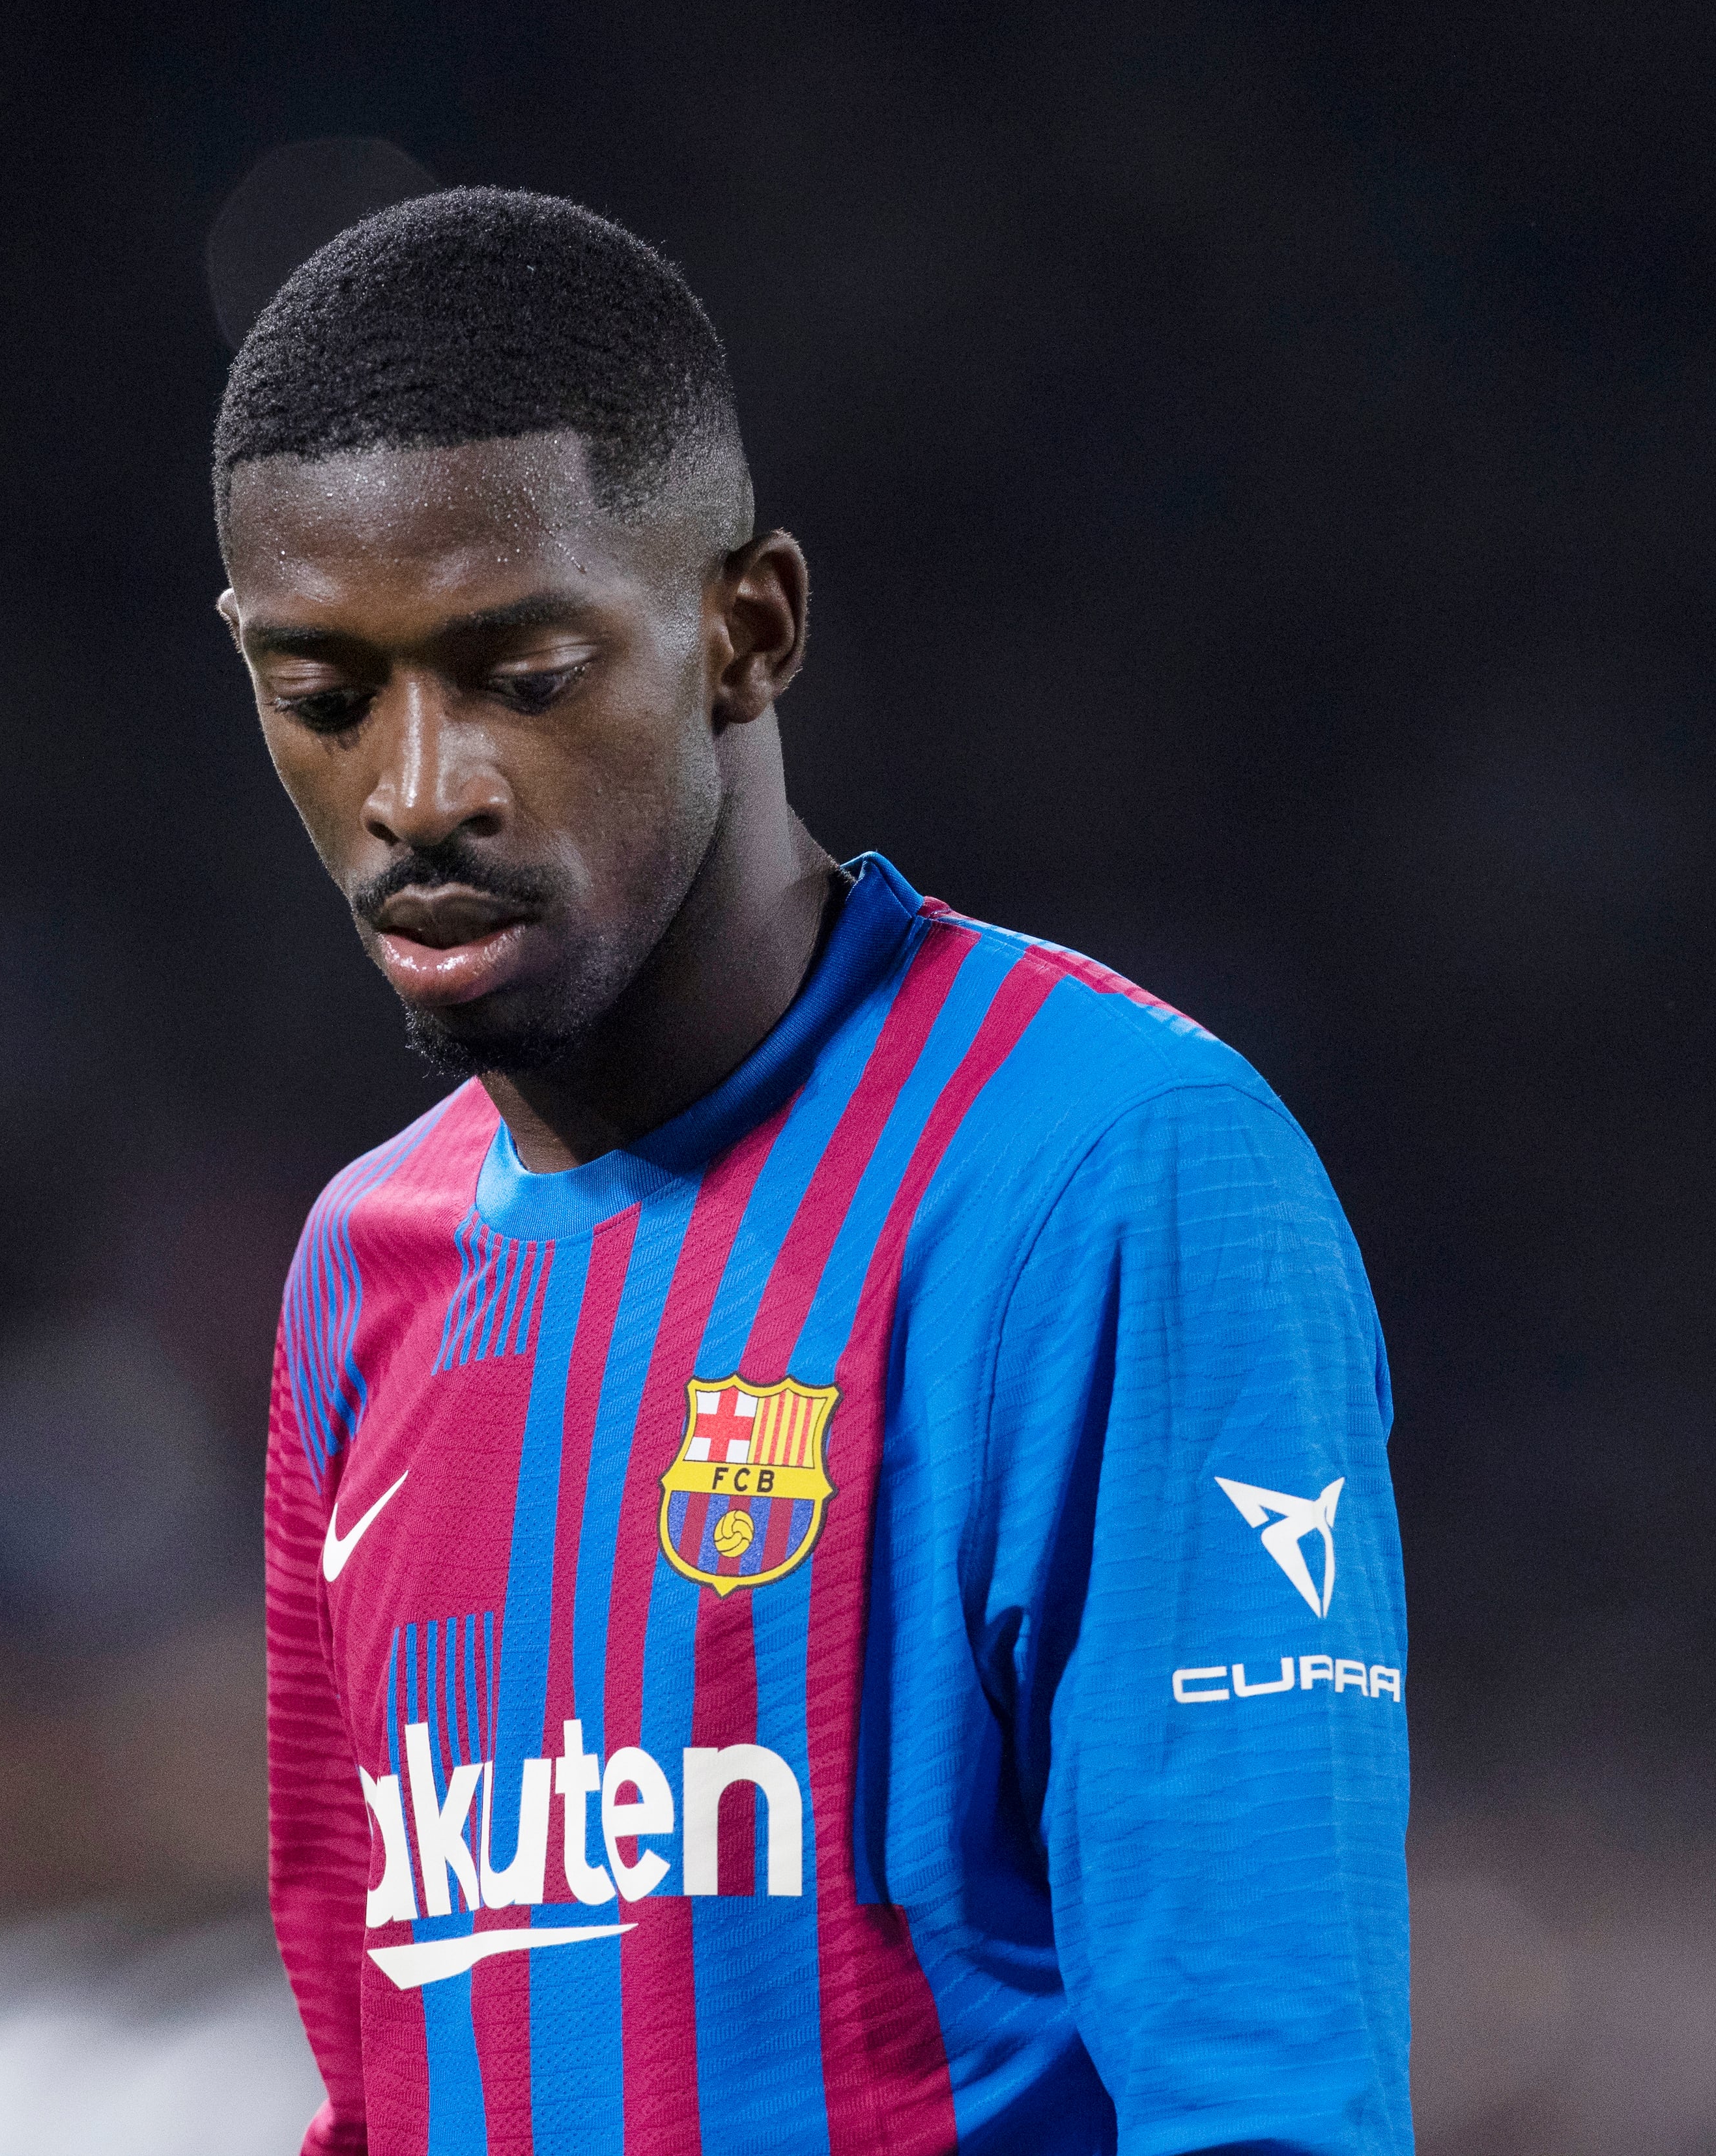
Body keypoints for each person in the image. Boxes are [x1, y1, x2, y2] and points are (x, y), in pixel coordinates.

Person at [216, 186, 1408, 2155]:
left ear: (744, 630)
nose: (420, 791)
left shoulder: (1107, 1179)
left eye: (521, 673)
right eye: (326, 697)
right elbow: (376, 2100)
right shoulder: (364, 1273)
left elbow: (1265, 2108)